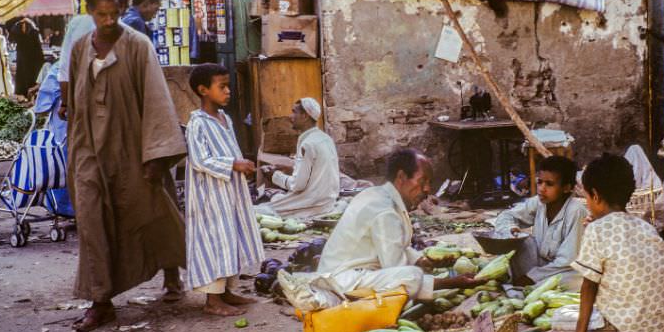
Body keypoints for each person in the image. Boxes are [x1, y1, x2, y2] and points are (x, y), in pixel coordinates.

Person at [66, 0, 186, 332]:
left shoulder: (138, 46)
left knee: (152, 212)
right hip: (89, 148)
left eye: (114, 14)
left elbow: (156, 100)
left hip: (132, 147)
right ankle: (100, 301)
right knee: (91, 220)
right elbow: (74, 99)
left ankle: (171, 273)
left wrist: (155, 156)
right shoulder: (79, 49)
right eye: (101, 14)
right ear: (89, 11)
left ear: (122, 10)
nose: (107, 21)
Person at [278, 148, 482, 311]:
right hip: (342, 280)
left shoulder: (378, 195)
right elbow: (396, 269)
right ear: (401, 177)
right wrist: (451, 282)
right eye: (422, 181)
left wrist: (421, 259)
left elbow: (395, 245)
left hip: (350, 272)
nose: (427, 189)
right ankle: (322, 299)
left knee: (414, 270)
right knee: (412, 276)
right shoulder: (384, 211)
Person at [565, 153, 664, 332]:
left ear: (595, 195)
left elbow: (588, 286)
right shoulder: (645, 226)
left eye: (586, 196)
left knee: (559, 320)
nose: (586, 202)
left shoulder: (596, 230)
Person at [185, 64, 264, 316]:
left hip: (230, 190)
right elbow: (200, 159)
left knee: (232, 237)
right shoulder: (197, 123)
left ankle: (227, 291)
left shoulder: (225, 119)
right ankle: (212, 300)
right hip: (210, 195)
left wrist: (242, 164)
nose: (228, 91)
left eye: (228, 86)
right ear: (203, 90)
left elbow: (230, 150)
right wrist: (234, 164)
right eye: (222, 86)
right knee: (215, 241)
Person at [494, 156, 588, 290]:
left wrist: (532, 277)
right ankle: (524, 285)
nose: (541, 189)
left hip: (565, 270)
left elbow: (567, 261)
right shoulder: (538, 202)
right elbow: (506, 215)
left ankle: (525, 286)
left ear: (566, 188)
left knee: (569, 281)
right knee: (519, 241)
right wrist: (512, 229)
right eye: (540, 182)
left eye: (549, 184)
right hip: (540, 265)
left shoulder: (576, 211)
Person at [258, 98, 341, 218]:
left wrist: (274, 176)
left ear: (305, 116)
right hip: (328, 202)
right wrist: (289, 168)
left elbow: (297, 185)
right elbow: (316, 172)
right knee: (276, 198)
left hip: (312, 205)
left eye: (294, 112)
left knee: (257, 211)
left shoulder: (307, 144)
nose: (291, 116)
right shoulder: (325, 139)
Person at [9, 18, 44, 96]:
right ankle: (27, 92)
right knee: (25, 74)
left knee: (27, 75)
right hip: (26, 56)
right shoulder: (22, 30)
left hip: (30, 56)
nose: (23, 27)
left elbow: (37, 46)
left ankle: (28, 92)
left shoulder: (29, 31)